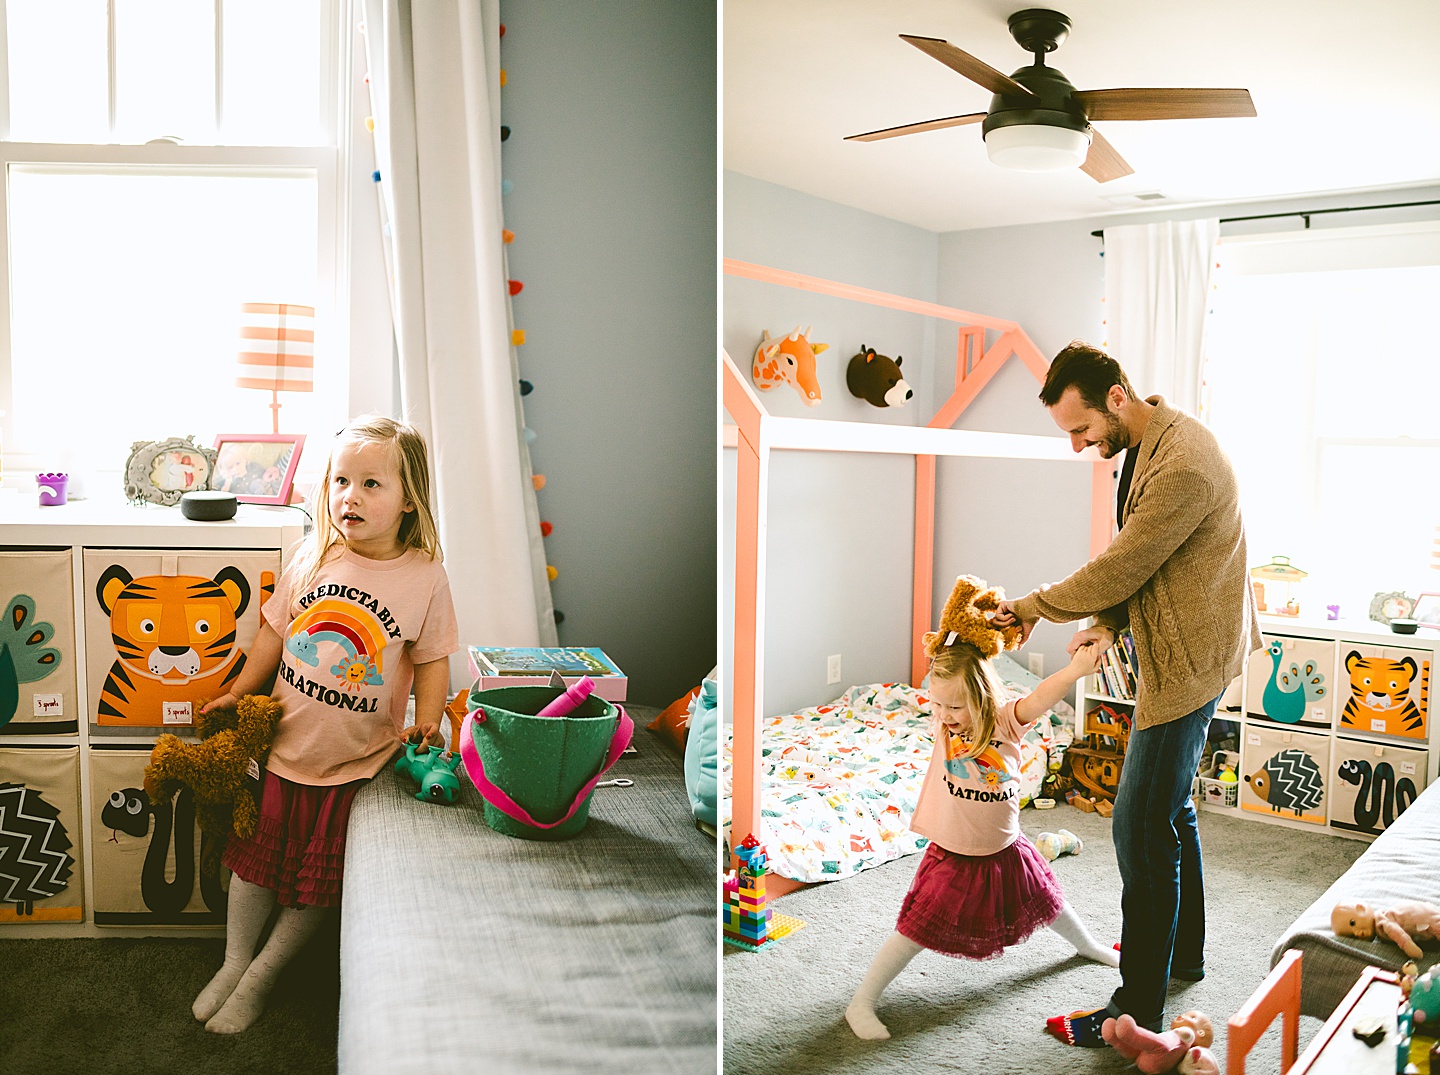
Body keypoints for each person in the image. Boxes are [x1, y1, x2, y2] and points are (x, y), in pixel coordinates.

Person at [990, 342, 1261, 1047]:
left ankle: (1134, 1008)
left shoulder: (1185, 463)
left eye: (1081, 428)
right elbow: (1141, 561)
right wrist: (1106, 623)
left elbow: (1123, 561)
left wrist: (1033, 605)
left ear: (1115, 396)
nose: (1081, 445)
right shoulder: (1141, 449)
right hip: (1177, 640)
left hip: (1193, 656)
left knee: (1138, 824)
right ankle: (1184, 955)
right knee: (1171, 809)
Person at [190, 415, 460, 1034]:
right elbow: (274, 634)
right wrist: (237, 693)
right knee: (255, 864)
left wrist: (428, 722)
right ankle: (234, 963)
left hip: (353, 762)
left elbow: (431, 658)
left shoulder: (424, 578)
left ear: (409, 499)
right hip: (285, 749)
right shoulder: (316, 556)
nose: (350, 497)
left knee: (317, 882)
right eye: (342, 481)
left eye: (371, 484)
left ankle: (263, 975)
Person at [844, 575, 1118, 1042]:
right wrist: (963, 639)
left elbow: (1039, 697)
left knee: (1047, 902)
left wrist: (1075, 673)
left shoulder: (1007, 722)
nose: (945, 715)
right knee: (915, 927)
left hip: (1006, 846)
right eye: (938, 705)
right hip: (953, 850)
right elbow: (950, 656)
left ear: (984, 696)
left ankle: (1088, 945)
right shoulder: (944, 726)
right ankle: (861, 1002)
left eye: (956, 706)